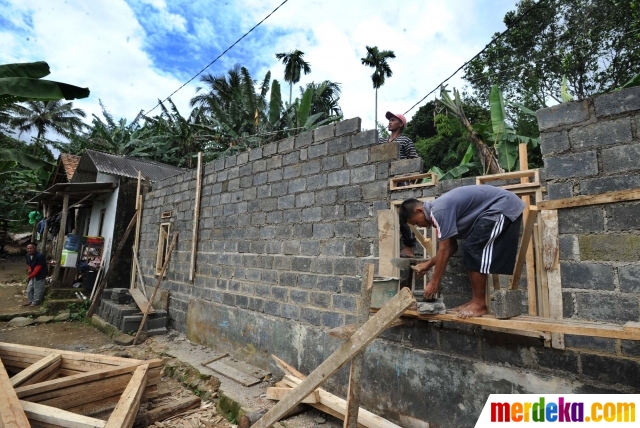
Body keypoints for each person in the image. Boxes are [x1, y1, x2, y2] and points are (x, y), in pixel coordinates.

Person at [398, 185, 525, 318]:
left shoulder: (438, 211)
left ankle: (480, 304)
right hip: (496, 208)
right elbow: (452, 247)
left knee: (473, 248)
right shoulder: (439, 213)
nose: (420, 226)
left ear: (419, 210)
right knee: (471, 248)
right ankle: (475, 301)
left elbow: (445, 249)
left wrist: (434, 282)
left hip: (503, 207)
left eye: (416, 222)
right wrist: (428, 264)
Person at [379, 111, 419, 257]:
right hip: (383, 182)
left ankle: (408, 246)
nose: (390, 122)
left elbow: (414, 160)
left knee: (401, 213)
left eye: (393, 120)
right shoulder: (382, 142)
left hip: (400, 181)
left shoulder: (405, 141)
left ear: (401, 124)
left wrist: (408, 178)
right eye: (389, 120)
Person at [24, 242, 47, 307]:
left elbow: (38, 268)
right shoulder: (27, 255)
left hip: (40, 274)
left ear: (35, 248)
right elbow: (29, 264)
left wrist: (30, 276)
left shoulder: (40, 256)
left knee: (37, 289)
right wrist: (29, 269)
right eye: (28, 248)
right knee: (29, 289)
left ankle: (35, 302)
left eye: (31, 248)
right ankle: (30, 301)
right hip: (32, 274)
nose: (29, 250)